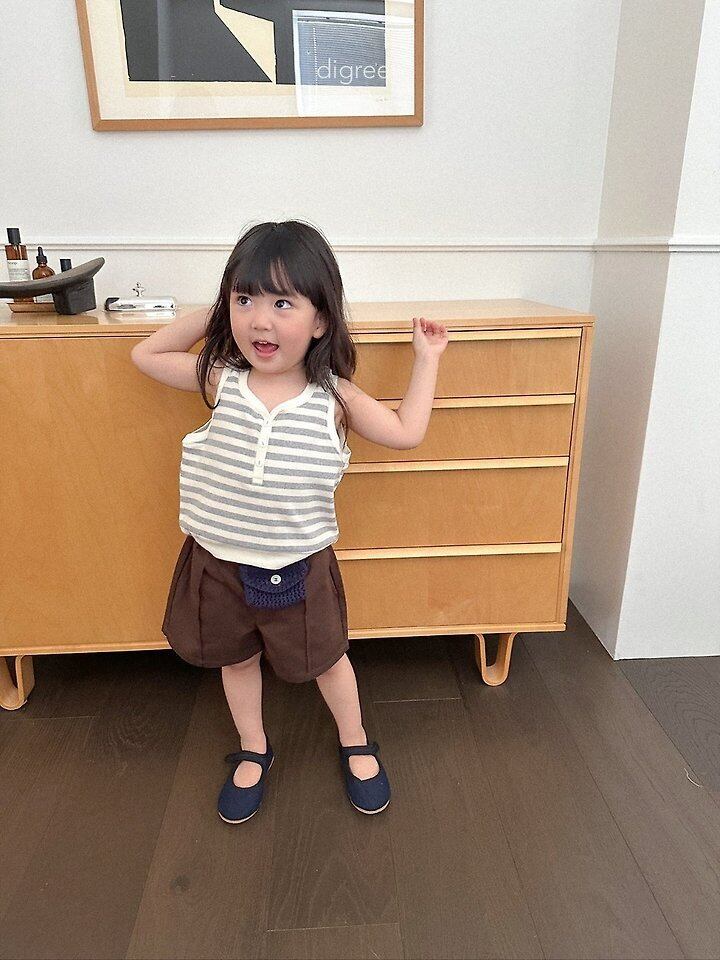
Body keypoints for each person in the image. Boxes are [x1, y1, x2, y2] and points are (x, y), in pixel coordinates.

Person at [131, 219, 448, 823]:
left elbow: (407, 432)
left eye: (282, 303)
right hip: (217, 562)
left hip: (299, 566)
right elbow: (145, 354)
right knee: (235, 660)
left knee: (328, 659)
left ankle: (356, 740)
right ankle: (253, 747)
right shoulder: (221, 379)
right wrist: (218, 312)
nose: (260, 321)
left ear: (320, 319)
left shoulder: (335, 398)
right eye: (245, 300)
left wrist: (426, 359)